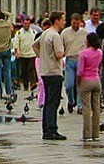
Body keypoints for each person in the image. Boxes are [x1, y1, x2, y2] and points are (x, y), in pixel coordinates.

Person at [32, 11, 66, 141]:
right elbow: (59, 54)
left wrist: (42, 56)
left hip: (45, 71)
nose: (64, 22)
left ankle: (46, 129)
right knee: (54, 101)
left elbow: (34, 45)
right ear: (57, 21)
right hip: (54, 71)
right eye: (62, 19)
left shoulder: (45, 33)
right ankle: (52, 130)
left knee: (47, 101)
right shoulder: (55, 35)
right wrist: (65, 52)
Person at [77, 32, 103, 142]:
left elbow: (80, 71)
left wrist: (78, 82)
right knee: (96, 108)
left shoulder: (83, 53)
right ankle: (96, 133)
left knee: (86, 108)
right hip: (96, 80)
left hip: (86, 80)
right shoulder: (100, 52)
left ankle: (87, 135)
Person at [62, 13, 87, 113]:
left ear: (80, 22)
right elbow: (61, 46)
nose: (75, 25)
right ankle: (71, 101)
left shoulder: (85, 33)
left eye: (77, 23)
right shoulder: (65, 32)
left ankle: (80, 105)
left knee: (80, 85)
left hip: (81, 60)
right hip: (69, 60)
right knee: (69, 85)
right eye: (73, 23)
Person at [14, 18, 37, 91]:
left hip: (32, 54)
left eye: (28, 23)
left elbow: (37, 42)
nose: (26, 25)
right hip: (23, 55)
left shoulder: (34, 32)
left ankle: (33, 83)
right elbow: (16, 43)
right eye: (25, 23)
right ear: (23, 24)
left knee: (31, 69)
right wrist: (17, 51)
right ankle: (25, 86)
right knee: (24, 71)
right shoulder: (19, 33)